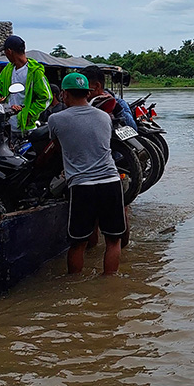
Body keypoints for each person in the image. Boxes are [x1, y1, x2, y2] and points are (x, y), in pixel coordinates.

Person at [46, 72, 126, 276]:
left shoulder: (56, 119)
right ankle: (110, 284)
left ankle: (75, 287)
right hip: (110, 181)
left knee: (77, 243)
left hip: (82, 187)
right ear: (88, 93)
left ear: (64, 94)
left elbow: (57, 148)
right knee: (113, 240)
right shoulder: (104, 117)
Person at [0, 35, 51, 137]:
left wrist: (30, 113)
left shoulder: (35, 71)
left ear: (9, 51)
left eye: (5, 51)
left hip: (27, 129)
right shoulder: (7, 70)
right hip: (8, 126)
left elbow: (46, 98)